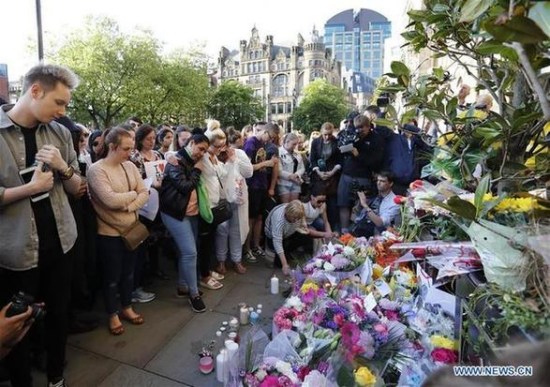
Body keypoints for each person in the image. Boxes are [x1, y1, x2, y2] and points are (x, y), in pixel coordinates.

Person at [0, 63, 82, 387]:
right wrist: (30, 189)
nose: (62, 112)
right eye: (58, 103)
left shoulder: (61, 133)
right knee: (18, 324)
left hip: (62, 243)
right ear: (35, 91)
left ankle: (56, 377)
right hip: (17, 251)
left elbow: (79, 189)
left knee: (59, 316)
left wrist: (63, 167)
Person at [87, 127, 149, 336]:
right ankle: (113, 313)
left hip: (131, 229)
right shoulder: (97, 170)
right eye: (126, 148)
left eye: (131, 148)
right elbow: (109, 200)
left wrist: (129, 205)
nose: (130, 153)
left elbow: (144, 192)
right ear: (112, 147)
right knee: (112, 276)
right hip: (110, 233)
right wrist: (133, 196)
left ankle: (127, 306)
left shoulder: (129, 166)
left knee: (128, 274)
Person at [159, 133, 210, 313]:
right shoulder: (176, 161)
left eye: (205, 150)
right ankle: (193, 295)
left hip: (191, 213)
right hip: (175, 213)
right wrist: (197, 170)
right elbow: (185, 186)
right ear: (192, 143)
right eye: (200, 148)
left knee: (186, 252)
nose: (202, 153)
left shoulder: (186, 159)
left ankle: (183, 286)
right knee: (190, 252)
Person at [337, 114, 384, 234]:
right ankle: (344, 231)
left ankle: (359, 232)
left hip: (363, 177)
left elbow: (376, 162)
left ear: (369, 126)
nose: (359, 130)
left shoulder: (376, 139)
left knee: (361, 206)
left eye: (362, 128)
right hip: (347, 174)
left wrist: (358, 155)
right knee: (344, 203)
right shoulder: (351, 134)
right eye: (357, 127)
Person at [215, 128, 252, 275]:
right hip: (220, 199)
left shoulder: (239, 153)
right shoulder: (213, 155)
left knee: (237, 229)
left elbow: (249, 172)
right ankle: (221, 261)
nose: (222, 145)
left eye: (224, 141)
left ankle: (237, 260)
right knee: (221, 230)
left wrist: (234, 159)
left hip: (238, 198)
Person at [242, 122, 279, 263]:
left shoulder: (262, 144)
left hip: (262, 185)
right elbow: (247, 168)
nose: (270, 140)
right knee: (250, 219)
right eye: (270, 137)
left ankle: (256, 245)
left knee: (259, 218)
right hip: (252, 186)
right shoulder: (251, 143)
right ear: (265, 132)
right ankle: (247, 249)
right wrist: (266, 163)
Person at [197, 128, 228, 290]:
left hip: (214, 202)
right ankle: (204, 275)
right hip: (205, 204)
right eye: (216, 146)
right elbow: (212, 171)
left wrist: (216, 159)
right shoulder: (203, 157)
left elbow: (222, 173)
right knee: (204, 242)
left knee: (210, 240)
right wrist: (215, 162)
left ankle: (207, 269)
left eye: (221, 146)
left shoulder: (213, 157)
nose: (219, 150)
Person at [309, 122, 341, 228]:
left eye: (329, 134)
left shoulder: (337, 142)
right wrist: (318, 172)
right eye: (325, 134)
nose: (327, 137)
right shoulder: (315, 142)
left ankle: (332, 226)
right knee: (319, 200)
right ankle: (320, 225)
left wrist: (332, 172)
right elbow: (312, 159)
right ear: (321, 132)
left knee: (332, 202)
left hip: (332, 174)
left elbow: (340, 160)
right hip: (318, 174)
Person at [264, 200, 309, 276]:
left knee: (305, 238)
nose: (296, 220)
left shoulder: (298, 208)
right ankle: (271, 249)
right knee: (278, 263)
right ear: (288, 213)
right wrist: (284, 265)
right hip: (272, 235)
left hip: (288, 232)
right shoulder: (279, 220)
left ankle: (287, 250)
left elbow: (302, 215)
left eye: (298, 218)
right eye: (294, 218)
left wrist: (303, 223)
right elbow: (277, 242)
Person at [351, 171, 401, 238]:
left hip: (379, 236)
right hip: (359, 230)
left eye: (382, 181)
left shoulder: (394, 202)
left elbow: (380, 223)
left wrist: (365, 205)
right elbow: (353, 217)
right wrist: (359, 205)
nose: (378, 183)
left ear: (391, 183)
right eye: (378, 180)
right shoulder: (372, 195)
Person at [277, 132, 305, 203]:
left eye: (296, 144)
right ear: (287, 141)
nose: (295, 146)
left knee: (294, 206)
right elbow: (278, 170)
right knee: (285, 206)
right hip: (283, 183)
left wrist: (296, 175)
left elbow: (302, 168)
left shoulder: (297, 154)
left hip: (296, 183)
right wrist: (290, 176)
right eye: (294, 144)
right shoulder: (278, 152)